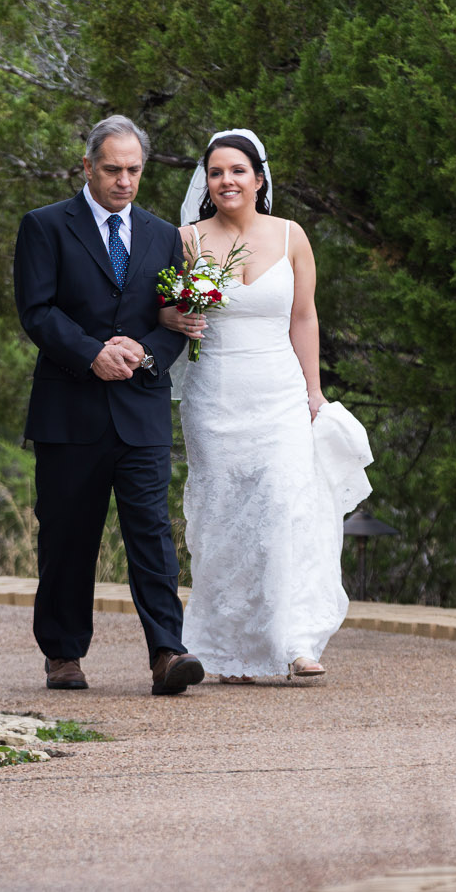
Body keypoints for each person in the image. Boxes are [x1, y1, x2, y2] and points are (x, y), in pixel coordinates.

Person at [163, 128, 371, 681]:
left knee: (283, 509)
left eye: (237, 171)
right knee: (221, 518)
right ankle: (219, 642)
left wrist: (314, 390)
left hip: (279, 394)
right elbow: (160, 309)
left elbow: (304, 316)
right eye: (216, 172)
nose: (226, 181)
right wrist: (171, 316)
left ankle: (292, 640)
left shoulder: (290, 236)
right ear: (205, 182)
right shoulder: (185, 241)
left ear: (259, 178)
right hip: (214, 398)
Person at [12, 115, 206, 696]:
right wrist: (92, 352)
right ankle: (64, 655)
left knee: (151, 531)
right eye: (113, 169)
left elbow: (180, 320)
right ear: (89, 166)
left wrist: (146, 351)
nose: (125, 181)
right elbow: (37, 312)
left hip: (140, 409)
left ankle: (167, 653)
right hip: (69, 412)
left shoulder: (163, 236)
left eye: (134, 170)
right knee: (69, 536)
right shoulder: (45, 227)